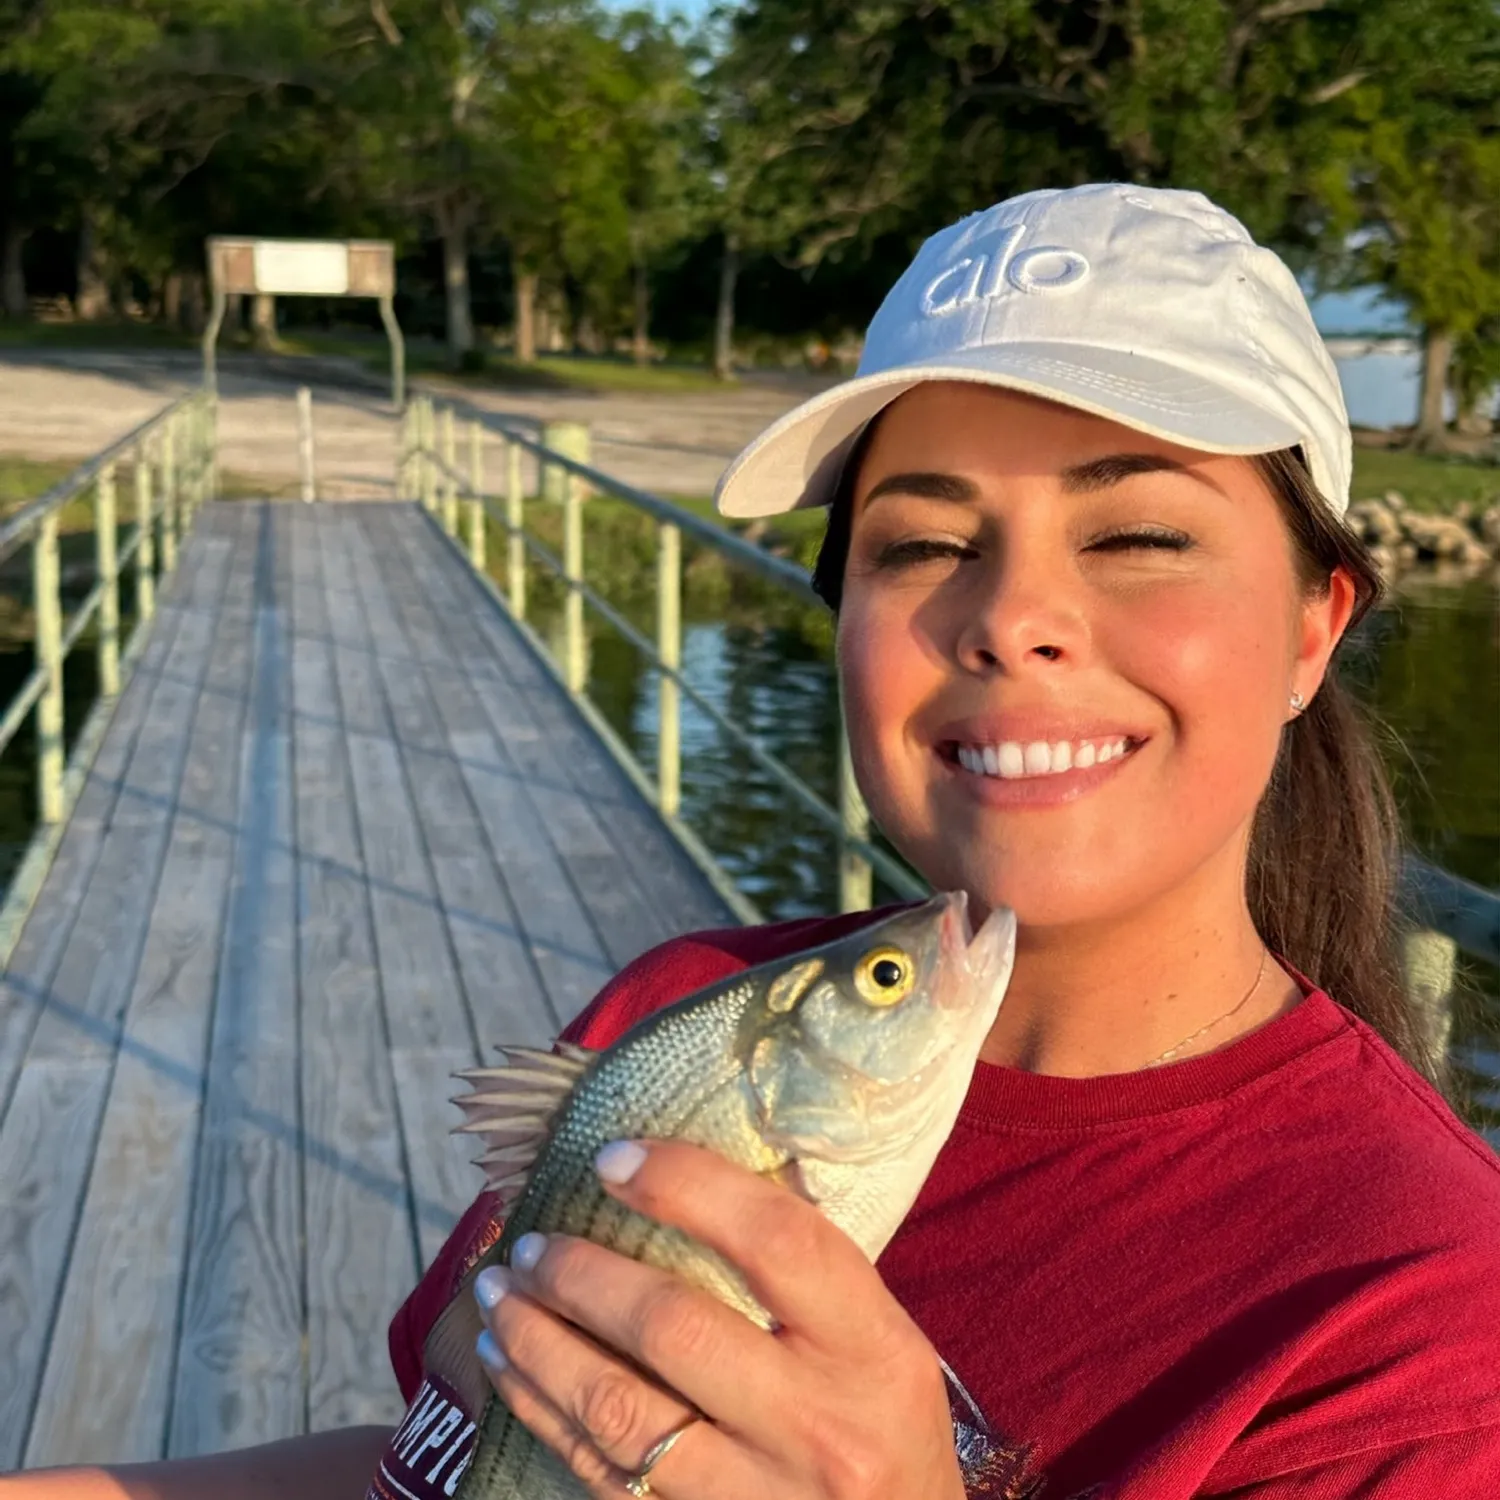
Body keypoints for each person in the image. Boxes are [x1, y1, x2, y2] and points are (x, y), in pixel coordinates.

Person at [8, 184, 1499, 1500]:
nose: (1009, 618)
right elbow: (439, 1471)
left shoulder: (1425, 1322)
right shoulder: (673, 1023)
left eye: (1136, 537)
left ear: (1316, 627)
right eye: (922, 544)